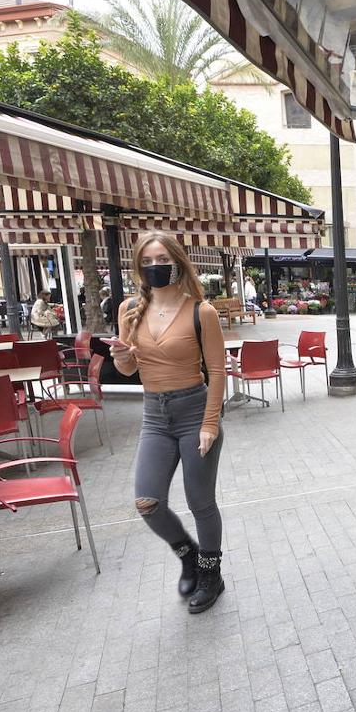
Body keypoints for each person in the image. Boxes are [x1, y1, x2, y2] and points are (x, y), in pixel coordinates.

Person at [109, 232, 228, 613]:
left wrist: (210, 423)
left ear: (176, 260)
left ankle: (212, 573)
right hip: (154, 416)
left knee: (200, 501)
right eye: (146, 261)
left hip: (194, 411)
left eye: (161, 259)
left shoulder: (200, 311)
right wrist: (122, 354)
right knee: (148, 501)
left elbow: (218, 371)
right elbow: (127, 369)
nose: (154, 267)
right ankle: (189, 554)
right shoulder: (130, 309)